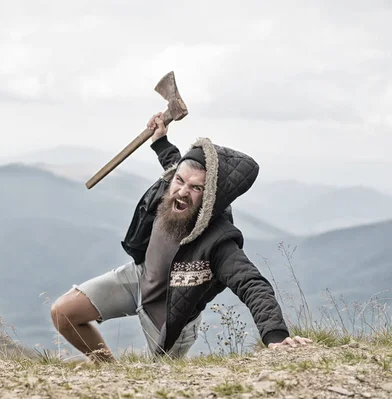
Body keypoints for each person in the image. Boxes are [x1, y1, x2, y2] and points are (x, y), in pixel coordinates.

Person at [50, 112, 312, 362]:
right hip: (138, 279)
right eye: (180, 181)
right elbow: (175, 164)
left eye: (196, 187)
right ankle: (107, 369)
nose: (183, 191)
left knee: (156, 384)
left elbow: (252, 284)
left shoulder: (217, 240)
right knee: (63, 313)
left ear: (209, 196)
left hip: (170, 316)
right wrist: (160, 140)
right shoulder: (170, 187)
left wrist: (276, 335)